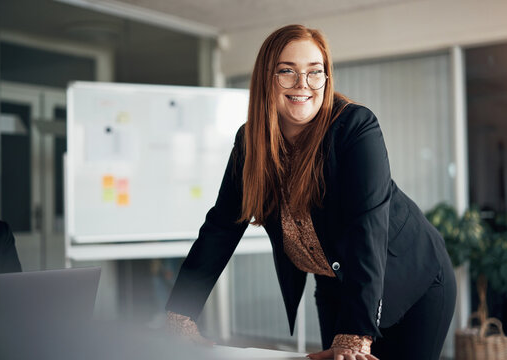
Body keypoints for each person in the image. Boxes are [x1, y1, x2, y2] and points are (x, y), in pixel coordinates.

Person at [165, 24, 456, 360]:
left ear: (326, 79)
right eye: (287, 71)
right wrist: (180, 316)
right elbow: (221, 228)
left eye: (314, 72)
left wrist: (354, 335)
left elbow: (368, 229)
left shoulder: (356, 127)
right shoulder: (250, 143)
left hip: (411, 273)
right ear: (266, 79)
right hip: (336, 280)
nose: (303, 84)